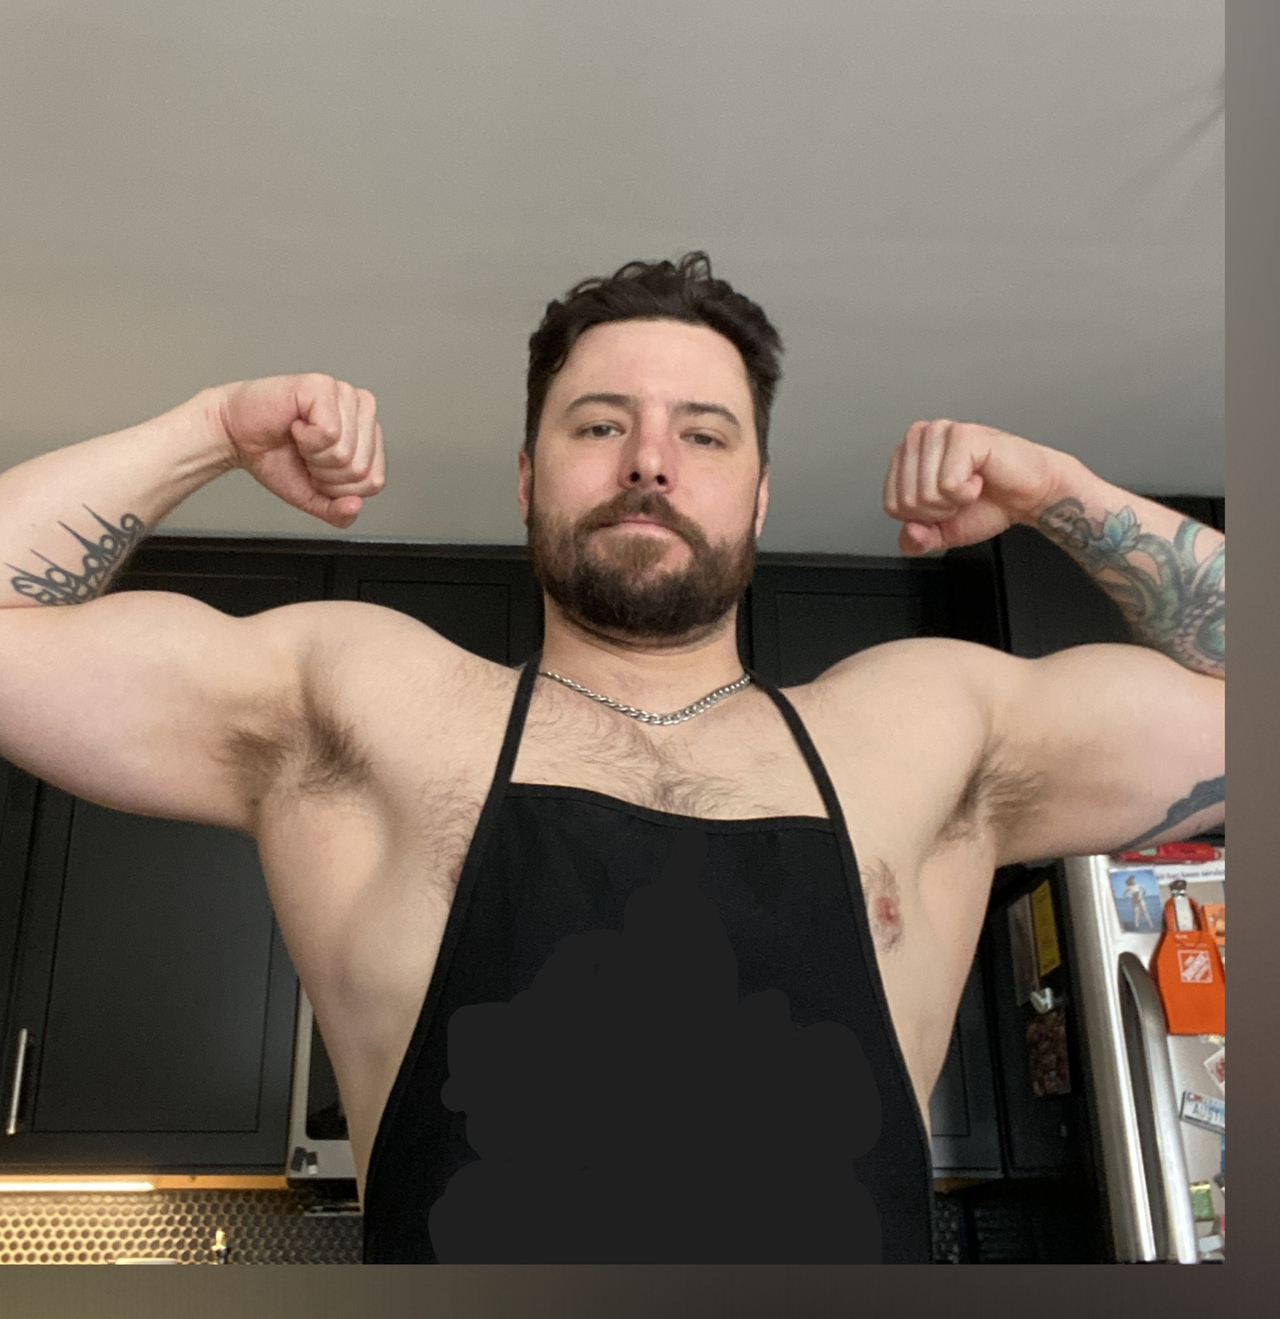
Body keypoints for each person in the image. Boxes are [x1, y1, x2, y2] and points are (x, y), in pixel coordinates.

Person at [0, 253, 1224, 1262]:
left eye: (703, 433)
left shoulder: (920, 727)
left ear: (758, 497)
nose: (648, 460)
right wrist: (209, 429)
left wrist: (1061, 491)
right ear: (527, 479)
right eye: (599, 424)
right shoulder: (367, 701)